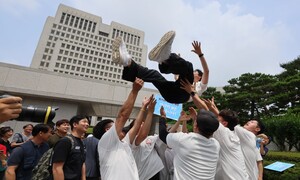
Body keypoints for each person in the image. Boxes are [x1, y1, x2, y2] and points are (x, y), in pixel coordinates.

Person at [111, 30, 207, 104]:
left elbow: (206, 71)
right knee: (155, 75)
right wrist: (177, 64)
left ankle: (166, 58)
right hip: (171, 92)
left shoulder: (201, 85)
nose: (193, 73)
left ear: (199, 77)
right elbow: (177, 77)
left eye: (196, 72)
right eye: (194, 72)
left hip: (182, 96)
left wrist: (200, 54)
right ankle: (127, 62)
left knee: (188, 66)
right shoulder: (185, 78)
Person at [98, 78, 143, 180]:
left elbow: (136, 126)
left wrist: (144, 108)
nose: (120, 127)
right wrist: (134, 91)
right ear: (107, 131)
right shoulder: (106, 142)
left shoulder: (123, 143)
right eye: (114, 126)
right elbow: (122, 116)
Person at [52, 115, 89, 180]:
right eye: (84, 122)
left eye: (88, 122)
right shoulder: (66, 141)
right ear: (75, 124)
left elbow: (82, 163)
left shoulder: (82, 142)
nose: (87, 124)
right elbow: (57, 168)